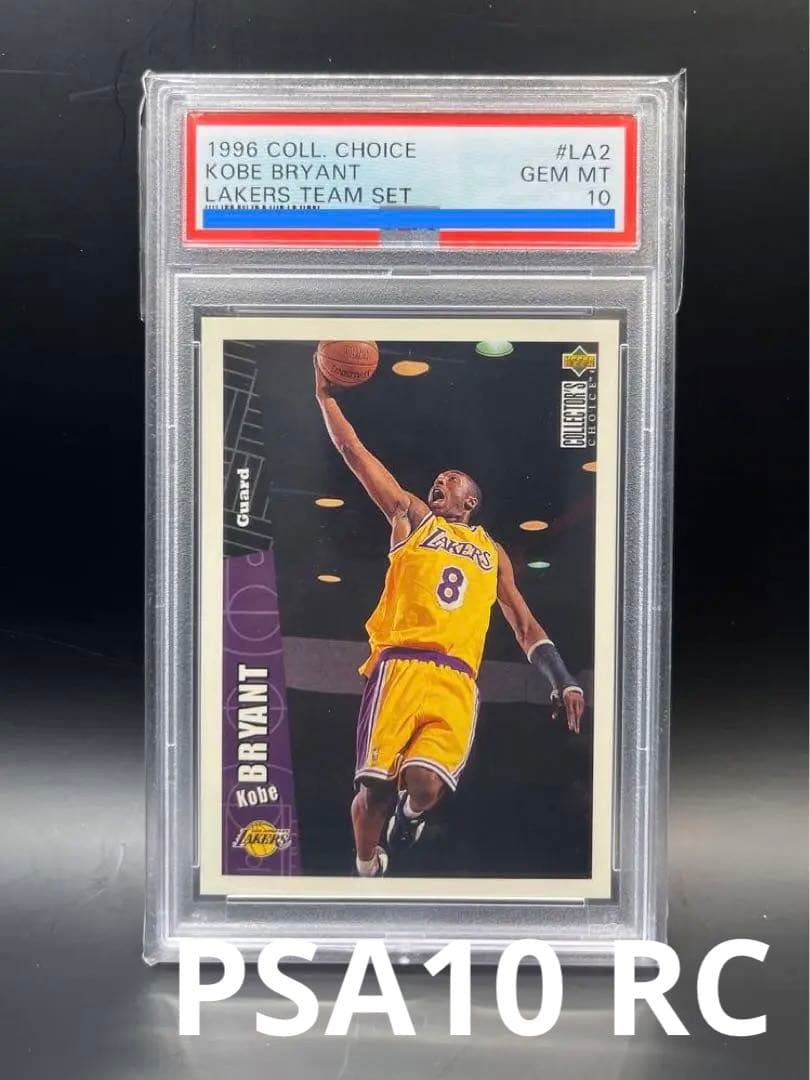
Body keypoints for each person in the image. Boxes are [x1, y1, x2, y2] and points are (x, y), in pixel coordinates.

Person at [314, 358, 585, 877]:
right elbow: (355, 453)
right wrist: (326, 399)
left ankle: (410, 816)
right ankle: (367, 866)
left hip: (456, 678)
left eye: (452, 480)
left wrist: (563, 679)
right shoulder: (412, 518)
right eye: (438, 479)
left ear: (471, 501)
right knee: (373, 788)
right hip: (399, 667)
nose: (440, 481)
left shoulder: (493, 553)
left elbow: (525, 625)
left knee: (424, 782)